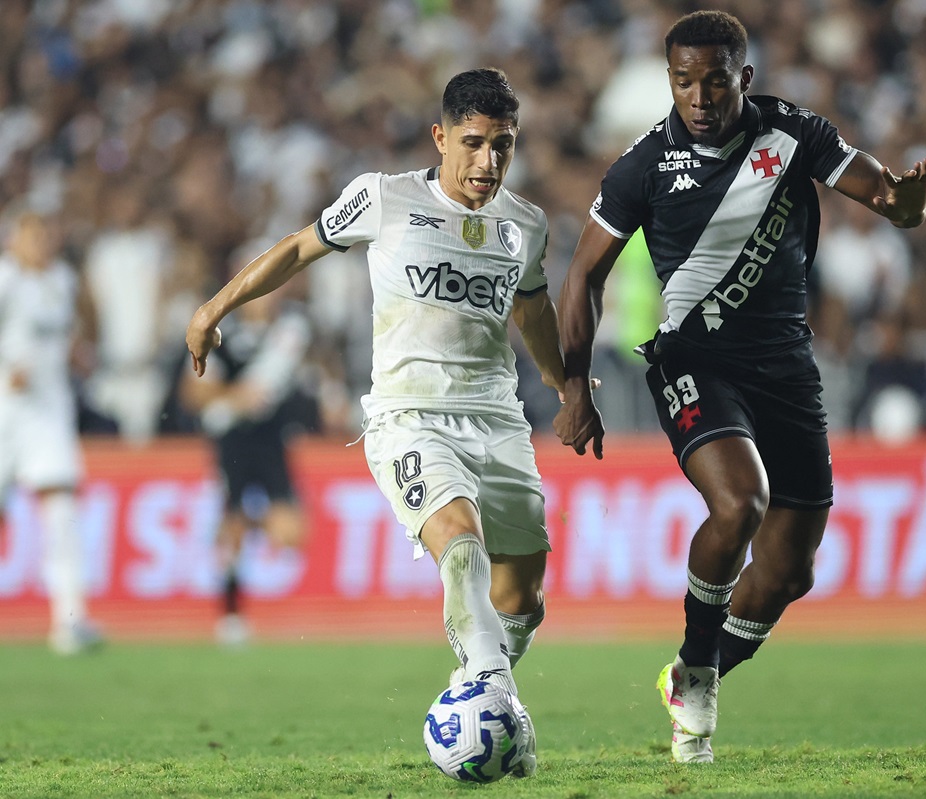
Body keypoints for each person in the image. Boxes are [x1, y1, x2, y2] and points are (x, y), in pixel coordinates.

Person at [553, 11, 926, 764]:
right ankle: (697, 675)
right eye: (683, 81)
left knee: (790, 571)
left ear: (743, 78)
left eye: (715, 80)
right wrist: (574, 386)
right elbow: (584, 274)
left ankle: (698, 671)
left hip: (787, 368)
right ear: (670, 81)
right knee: (741, 502)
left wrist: (904, 205)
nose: (698, 96)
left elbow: (881, 193)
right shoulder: (643, 165)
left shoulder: (793, 133)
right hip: (694, 360)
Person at [186, 68, 566, 779]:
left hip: (498, 418)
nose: (488, 162)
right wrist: (214, 308)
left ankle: (487, 690)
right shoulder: (383, 199)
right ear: (440, 136)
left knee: (523, 598)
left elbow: (534, 308)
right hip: (408, 415)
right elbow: (298, 247)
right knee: (458, 540)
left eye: (503, 147)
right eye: (475, 143)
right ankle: (496, 700)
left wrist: (563, 381)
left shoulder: (526, 223)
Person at [177, 278, 314, 646]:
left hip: (272, 436)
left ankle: (243, 521)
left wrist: (235, 398)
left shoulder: (291, 328)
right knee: (233, 527)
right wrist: (237, 396)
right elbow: (192, 392)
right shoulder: (223, 335)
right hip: (233, 437)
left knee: (291, 532)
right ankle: (231, 613)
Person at [0, 210, 105, 655]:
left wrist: (79, 354)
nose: (43, 241)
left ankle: (70, 621)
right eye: (33, 234)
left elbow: (70, 335)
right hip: (5, 410)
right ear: (15, 238)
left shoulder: (62, 280)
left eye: (48, 233)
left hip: (48, 411)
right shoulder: (5, 279)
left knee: (61, 512)